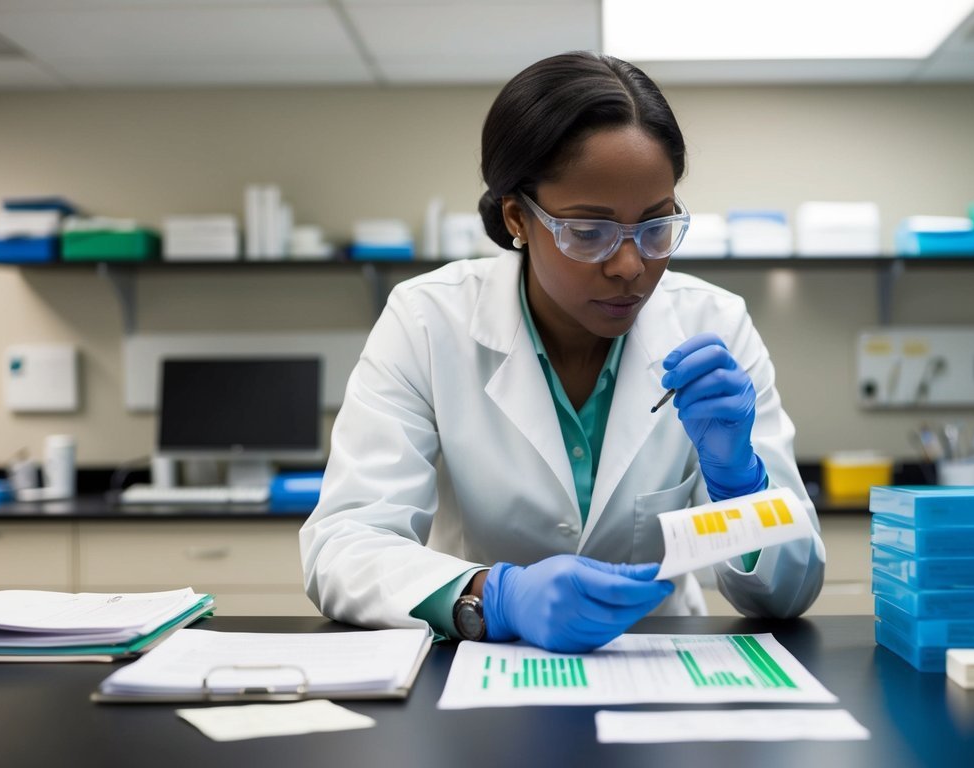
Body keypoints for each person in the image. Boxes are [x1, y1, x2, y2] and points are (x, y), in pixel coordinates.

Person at [301, 51, 825, 653]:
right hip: (483, 668)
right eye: (588, 231)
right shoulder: (427, 320)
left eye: (656, 226)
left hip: (659, 663)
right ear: (518, 218)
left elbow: (789, 592)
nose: (630, 266)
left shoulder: (714, 325)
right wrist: (490, 598)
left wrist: (741, 486)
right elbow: (344, 544)